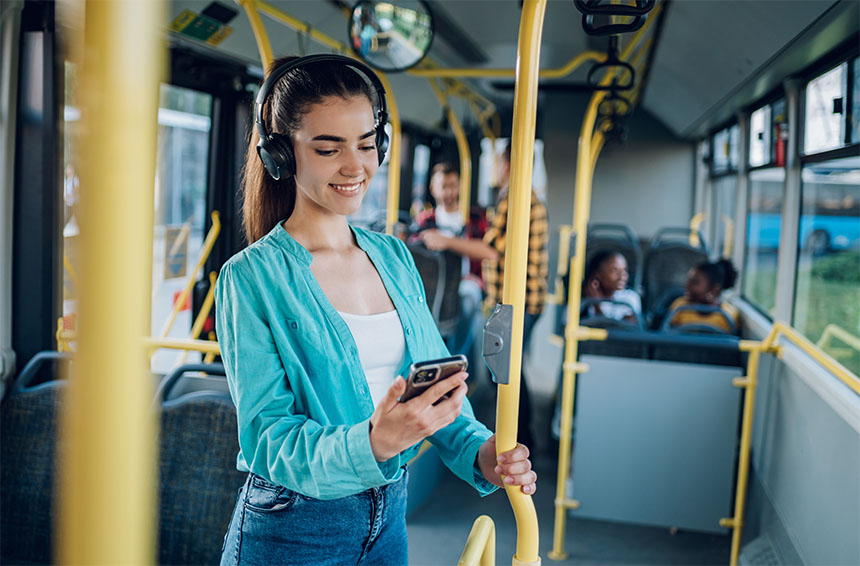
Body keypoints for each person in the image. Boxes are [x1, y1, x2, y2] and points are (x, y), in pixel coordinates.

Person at [215, 55, 535, 565]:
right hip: (293, 527)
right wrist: (372, 443)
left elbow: (434, 392)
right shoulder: (250, 278)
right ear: (281, 155)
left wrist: (482, 452)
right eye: (328, 148)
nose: (355, 166)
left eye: (367, 144)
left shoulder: (392, 255)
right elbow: (268, 439)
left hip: (389, 517)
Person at [420, 142, 549, 448]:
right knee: (510, 368)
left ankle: (516, 439)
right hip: (527, 297)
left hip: (520, 299)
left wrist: (446, 242)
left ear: (506, 166)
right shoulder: (524, 198)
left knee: (509, 371)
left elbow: (491, 250)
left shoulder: (513, 199)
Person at [412, 162, 487, 355]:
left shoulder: (474, 218)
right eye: (444, 186)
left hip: (466, 280)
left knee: (469, 297)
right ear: (433, 189)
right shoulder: (425, 220)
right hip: (433, 283)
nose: (449, 192)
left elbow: (487, 251)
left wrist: (446, 242)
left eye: (453, 185)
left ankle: (455, 358)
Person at [668, 258, 740, 333]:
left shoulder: (728, 316)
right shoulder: (679, 308)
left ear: (714, 289)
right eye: (688, 281)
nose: (687, 286)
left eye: (695, 282)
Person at [581, 250, 641, 323]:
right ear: (598, 274)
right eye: (615, 270)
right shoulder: (583, 299)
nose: (622, 276)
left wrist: (597, 305)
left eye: (625, 270)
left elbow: (620, 331)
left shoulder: (630, 298)